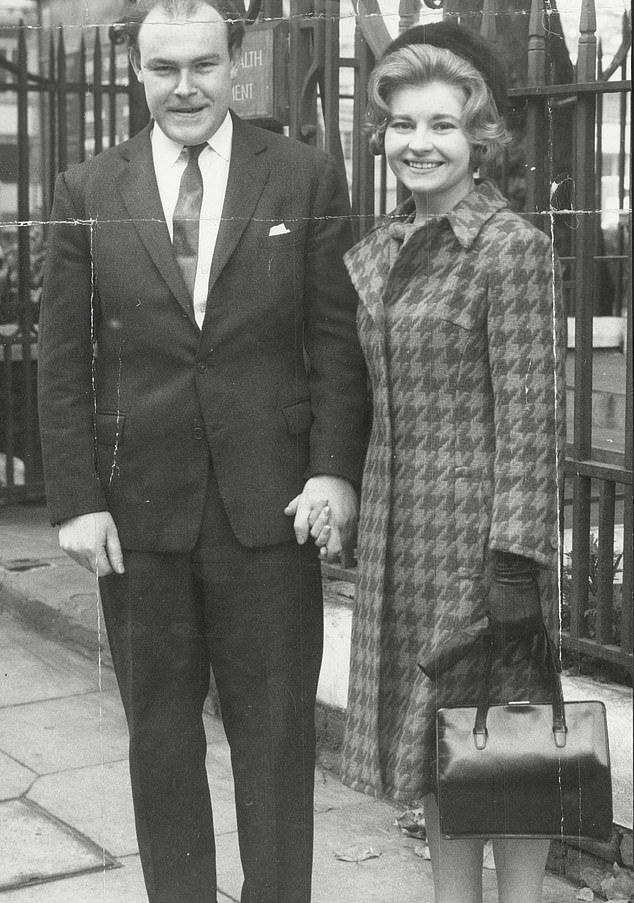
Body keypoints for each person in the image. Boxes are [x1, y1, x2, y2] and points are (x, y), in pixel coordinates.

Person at [37, 1, 368, 901]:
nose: (185, 86)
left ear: (234, 65)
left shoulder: (302, 177)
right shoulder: (86, 190)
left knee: (276, 741)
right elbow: (64, 360)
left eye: (205, 65)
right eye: (163, 67)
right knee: (161, 738)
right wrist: (74, 498)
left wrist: (334, 470)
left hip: (270, 511)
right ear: (138, 71)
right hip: (137, 515)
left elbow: (336, 340)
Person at [338, 22, 566, 903]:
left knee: (501, 742)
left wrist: (514, 560)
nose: (419, 143)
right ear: (383, 134)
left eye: (441, 124)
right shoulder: (385, 246)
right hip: (402, 540)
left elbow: (532, 411)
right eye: (402, 124)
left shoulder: (510, 249)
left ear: (479, 137)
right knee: (436, 748)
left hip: (479, 544)